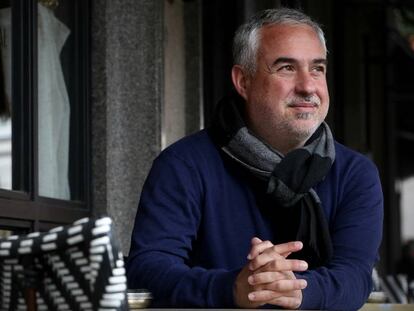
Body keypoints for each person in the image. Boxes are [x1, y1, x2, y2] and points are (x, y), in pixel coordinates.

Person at [126, 7, 383, 310]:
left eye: (317, 68)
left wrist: (295, 291)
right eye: (286, 68)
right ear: (243, 82)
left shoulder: (355, 174)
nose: (308, 86)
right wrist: (231, 288)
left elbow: (355, 275)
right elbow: (148, 268)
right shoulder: (184, 165)